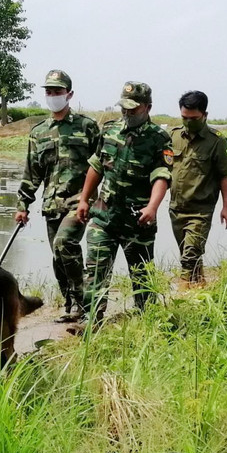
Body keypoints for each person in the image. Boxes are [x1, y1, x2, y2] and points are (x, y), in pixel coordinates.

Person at [76, 81, 173, 321]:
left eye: (133, 109)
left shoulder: (158, 139)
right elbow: (96, 166)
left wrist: (152, 207)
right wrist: (84, 199)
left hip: (137, 220)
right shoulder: (109, 131)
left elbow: (162, 176)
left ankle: (146, 320)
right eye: (124, 108)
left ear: (147, 107)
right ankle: (91, 322)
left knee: (141, 276)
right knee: (95, 270)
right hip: (104, 216)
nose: (127, 113)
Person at [14, 69, 102, 322]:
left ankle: (83, 304)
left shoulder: (87, 127)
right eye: (49, 92)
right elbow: (32, 172)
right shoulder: (39, 132)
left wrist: (99, 198)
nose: (53, 96)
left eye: (58, 92)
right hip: (52, 204)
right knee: (58, 256)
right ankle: (69, 302)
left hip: (79, 201)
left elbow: (102, 165)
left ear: (69, 94)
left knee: (65, 244)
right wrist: (23, 205)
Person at [168, 90, 227, 285]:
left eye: (194, 118)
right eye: (184, 117)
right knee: (189, 255)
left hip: (200, 211)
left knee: (189, 256)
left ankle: (183, 294)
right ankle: (199, 285)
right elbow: (164, 171)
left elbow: (224, 175)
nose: (188, 122)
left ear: (205, 115)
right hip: (176, 208)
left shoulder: (216, 141)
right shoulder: (173, 137)